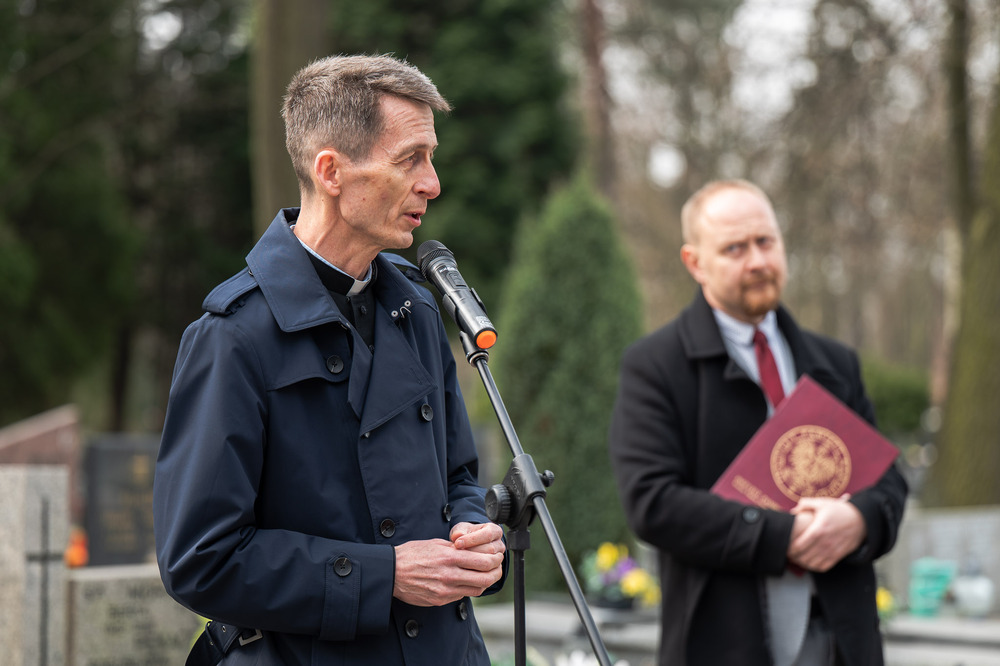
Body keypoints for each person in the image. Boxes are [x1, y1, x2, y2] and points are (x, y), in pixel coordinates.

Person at [153, 54, 507, 665]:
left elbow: (459, 479)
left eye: (432, 157)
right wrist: (383, 575)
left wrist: (472, 534)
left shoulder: (418, 310)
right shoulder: (232, 337)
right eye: (410, 159)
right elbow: (200, 562)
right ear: (331, 172)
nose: (433, 183)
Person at [608, 179, 907, 666]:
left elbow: (887, 479)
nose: (757, 261)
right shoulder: (655, 366)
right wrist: (783, 535)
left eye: (765, 241)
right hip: (725, 639)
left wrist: (858, 520)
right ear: (695, 263)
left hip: (842, 639)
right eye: (734, 248)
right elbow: (652, 502)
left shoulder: (834, 361)